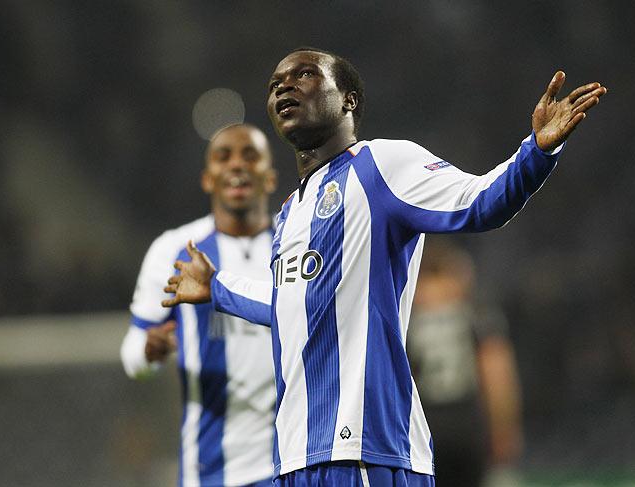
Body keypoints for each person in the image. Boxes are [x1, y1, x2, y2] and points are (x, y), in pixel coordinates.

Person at [162, 47, 606, 486]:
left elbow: (480, 203)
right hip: (295, 457)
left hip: (367, 452)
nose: (284, 87)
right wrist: (216, 287)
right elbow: (288, 305)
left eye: (304, 76)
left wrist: (537, 153)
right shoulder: (288, 215)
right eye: (275, 84)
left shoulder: (383, 165)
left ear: (348, 99)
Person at [120, 123, 278, 487]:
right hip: (211, 469)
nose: (237, 165)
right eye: (224, 157)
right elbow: (133, 355)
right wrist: (150, 350)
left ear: (269, 178)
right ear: (208, 179)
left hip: (294, 460)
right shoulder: (173, 249)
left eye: (250, 156)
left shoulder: (297, 246)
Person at [407, 238, 523, 487]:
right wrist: (504, 428)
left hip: (418, 431)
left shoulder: (403, 318)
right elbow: (497, 373)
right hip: (467, 428)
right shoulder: (476, 314)